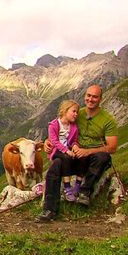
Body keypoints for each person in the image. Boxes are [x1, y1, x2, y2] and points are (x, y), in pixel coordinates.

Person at [37, 84, 119, 222]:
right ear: (85, 96)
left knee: (103, 157)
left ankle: (84, 191)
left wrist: (87, 151)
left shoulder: (108, 120)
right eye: (88, 96)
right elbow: (59, 131)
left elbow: (112, 147)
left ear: (100, 99)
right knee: (55, 166)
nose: (91, 99)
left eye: (95, 97)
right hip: (73, 156)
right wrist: (47, 141)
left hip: (92, 158)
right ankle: (50, 209)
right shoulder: (76, 113)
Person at [36, 100, 80, 222]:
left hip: (75, 156)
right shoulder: (55, 124)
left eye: (77, 112)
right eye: (74, 111)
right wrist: (66, 150)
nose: (76, 114)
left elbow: (74, 140)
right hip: (61, 154)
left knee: (55, 170)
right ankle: (51, 208)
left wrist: (75, 146)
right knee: (55, 168)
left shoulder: (74, 126)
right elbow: (54, 140)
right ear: (65, 111)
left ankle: (50, 210)